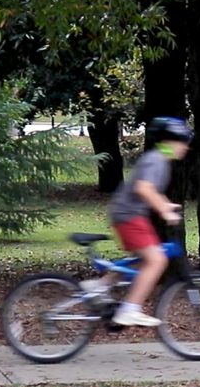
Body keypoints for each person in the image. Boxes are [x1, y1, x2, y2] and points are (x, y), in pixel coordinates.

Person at [82, 116, 192, 326]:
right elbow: (144, 188)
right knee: (157, 260)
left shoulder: (158, 159)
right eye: (182, 142)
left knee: (143, 259)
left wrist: (166, 205)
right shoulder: (157, 160)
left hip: (128, 214)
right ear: (169, 142)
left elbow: (148, 189)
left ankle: (100, 286)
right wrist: (164, 211)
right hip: (129, 215)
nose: (186, 148)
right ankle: (130, 309)